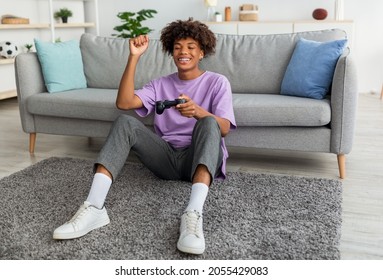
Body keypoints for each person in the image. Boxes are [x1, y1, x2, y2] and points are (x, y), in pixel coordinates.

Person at [53, 18, 236, 255]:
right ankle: (95, 207)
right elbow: (124, 103)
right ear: (171, 52)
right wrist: (134, 57)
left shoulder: (217, 82)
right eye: (178, 47)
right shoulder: (160, 84)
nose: (184, 52)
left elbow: (224, 128)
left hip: (198, 159)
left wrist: (198, 112)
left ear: (201, 52)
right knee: (125, 122)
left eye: (191, 46)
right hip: (167, 159)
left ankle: (193, 215)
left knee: (210, 122)